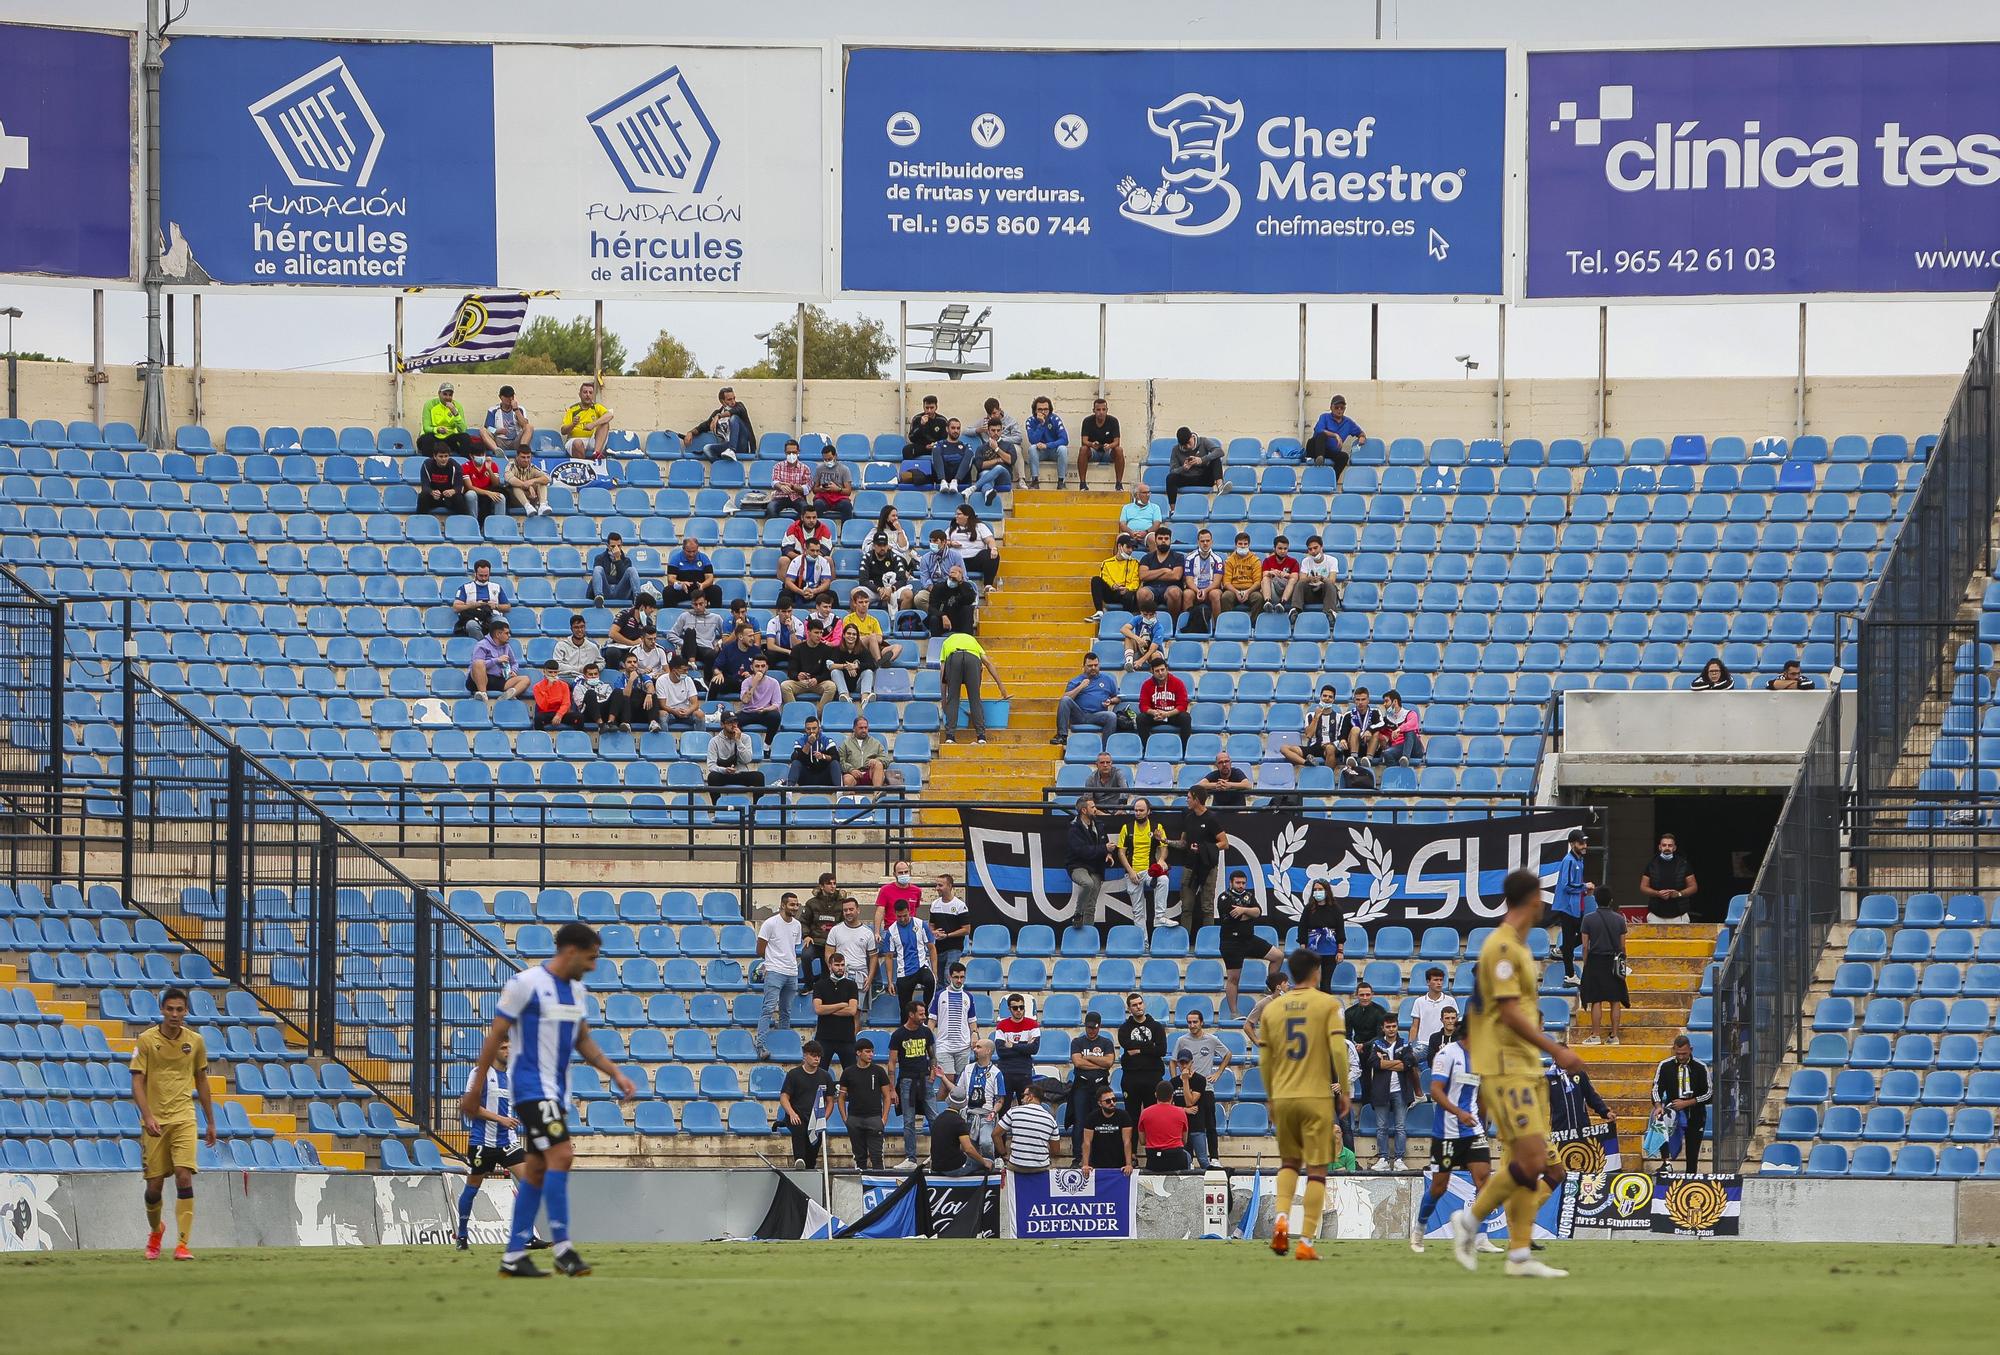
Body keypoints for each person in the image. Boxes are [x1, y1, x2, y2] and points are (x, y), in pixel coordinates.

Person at [459, 921, 638, 1278]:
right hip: (529, 1088)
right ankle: (563, 1248)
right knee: (563, 1154)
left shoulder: (577, 991)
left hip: (556, 1092)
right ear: (571, 951)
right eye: (591, 957)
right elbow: (496, 1035)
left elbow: (582, 1039)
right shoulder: (526, 984)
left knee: (539, 1169)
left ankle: (513, 1256)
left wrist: (615, 1072)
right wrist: (476, 1086)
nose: (593, 965)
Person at [1447, 868, 1586, 1279]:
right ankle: (1471, 1220)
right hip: (1508, 1067)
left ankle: (1519, 1256)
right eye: (1541, 896)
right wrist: (1557, 1049)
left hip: (1526, 1068)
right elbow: (1507, 1013)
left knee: (1534, 1164)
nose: (1545, 903)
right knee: (1528, 1160)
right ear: (1531, 900)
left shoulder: (1521, 948)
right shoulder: (1503, 947)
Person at [1258, 949, 1352, 1262]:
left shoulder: (1273, 1008)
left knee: (1288, 1163)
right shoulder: (1327, 1004)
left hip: (1283, 1096)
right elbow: (1338, 1051)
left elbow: (1264, 1058)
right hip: (1315, 1096)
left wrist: (1271, 1096)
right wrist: (1346, 1090)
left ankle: (1282, 1221)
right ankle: (1306, 1241)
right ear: (1315, 971)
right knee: (1316, 1171)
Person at [131, 986, 218, 1261]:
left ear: (186, 1011)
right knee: (154, 1186)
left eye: (180, 1009)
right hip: (155, 1121)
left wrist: (211, 1121)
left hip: (184, 1117)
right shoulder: (146, 1041)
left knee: (183, 1174)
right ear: (162, 1010)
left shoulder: (195, 1042)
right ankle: (156, 1231)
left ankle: (182, 1244)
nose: (175, 1014)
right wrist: (147, 1116)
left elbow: (202, 1081)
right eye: (170, 1009)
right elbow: (137, 1081)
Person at [1410, 1020, 1505, 1256]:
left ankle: (1481, 1237)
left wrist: (1485, 1121)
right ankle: (1419, 1228)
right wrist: (1459, 1113)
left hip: (1472, 1131)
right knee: (1439, 1187)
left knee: (1485, 1181)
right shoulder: (1447, 1054)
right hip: (1447, 1133)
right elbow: (1436, 1091)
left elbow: (1481, 1094)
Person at [455, 1035, 552, 1253]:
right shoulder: (479, 1074)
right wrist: (500, 1119)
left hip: (508, 1142)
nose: (508, 1051)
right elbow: (470, 1106)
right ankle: (461, 1233)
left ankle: (526, 1235)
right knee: (472, 1188)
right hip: (482, 1143)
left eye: (510, 1047)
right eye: (503, 1048)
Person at [1174, 1009, 1229, 1169]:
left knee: (1210, 1125)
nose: (1192, 1025)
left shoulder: (1211, 1039)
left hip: (1206, 1088)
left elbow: (1227, 1054)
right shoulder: (1182, 1040)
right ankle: (1188, 1159)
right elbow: (1173, 1061)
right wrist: (1176, 1080)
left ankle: (1214, 1157)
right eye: (1189, 1022)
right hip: (1186, 1089)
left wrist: (1218, 1073)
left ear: (1201, 1022)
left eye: (1195, 1022)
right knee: (1189, 1125)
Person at [886, 1002, 937, 1170]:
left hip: (924, 1080)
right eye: (921, 1014)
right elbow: (892, 1063)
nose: (924, 1017)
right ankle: (911, 1158)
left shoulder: (926, 1032)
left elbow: (932, 1055)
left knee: (934, 1119)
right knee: (908, 1121)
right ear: (911, 1014)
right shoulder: (898, 1035)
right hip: (906, 1080)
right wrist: (892, 1089)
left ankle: (936, 1155)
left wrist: (932, 1072)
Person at [754, 892, 804, 1058]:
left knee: (786, 1011)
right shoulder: (770, 923)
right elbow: (760, 948)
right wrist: (771, 962)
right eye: (792, 905)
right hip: (775, 970)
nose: (795, 908)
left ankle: (783, 1044)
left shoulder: (797, 925)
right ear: (783, 905)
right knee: (768, 1008)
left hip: (791, 971)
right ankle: (760, 1045)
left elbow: (792, 947)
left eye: (796, 905)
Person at [1367, 1016, 1420, 1170]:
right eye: (1388, 1026)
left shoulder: (1404, 1044)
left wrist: (1385, 1063)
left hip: (1400, 1091)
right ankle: (1383, 1158)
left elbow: (1409, 1063)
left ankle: (1398, 1159)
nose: (1391, 1029)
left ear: (1397, 1027)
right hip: (1381, 1091)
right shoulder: (1377, 1045)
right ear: (1383, 1028)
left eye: (1394, 1026)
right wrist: (1397, 1062)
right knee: (1381, 1127)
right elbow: (1374, 1063)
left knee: (1400, 1127)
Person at [1170, 787, 1226, 934]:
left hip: (1208, 867)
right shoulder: (1188, 817)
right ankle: (1184, 940)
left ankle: (1208, 940)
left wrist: (1203, 849)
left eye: (1188, 797)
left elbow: (1224, 843)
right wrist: (1165, 840)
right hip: (1189, 866)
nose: (1186, 800)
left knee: (1207, 907)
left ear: (1196, 799)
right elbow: (1183, 843)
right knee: (1186, 907)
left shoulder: (1212, 818)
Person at [1654, 1034, 1713, 1173]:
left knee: (1692, 1150)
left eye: (1684, 1054)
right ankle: (1666, 1164)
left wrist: (1687, 1103)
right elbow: (1656, 1088)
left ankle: (1691, 1175)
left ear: (1691, 1050)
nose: (1681, 1057)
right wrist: (1658, 1106)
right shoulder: (1664, 1066)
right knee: (1661, 1126)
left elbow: (1709, 1093)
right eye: (1678, 1053)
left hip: (1695, 1113)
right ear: (1673, 1049)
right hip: (1672, 1111)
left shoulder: (1700, 1067)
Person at [1579, 888, 1630, 1044]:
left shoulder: (1588, 919)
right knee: (1615, 1000)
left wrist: (1586, 963)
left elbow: (1585, 946)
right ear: (1611, 901)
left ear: (1595, 900)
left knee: (1596, 1000)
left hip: (1595, 961)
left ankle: (1595, 1035)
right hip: (1614, 961)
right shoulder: (1620, 919)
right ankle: (1614, 1036)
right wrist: (1623, 962)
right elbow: (1622, 946)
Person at [1113, 796, 1171, 932]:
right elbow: (1121, 853)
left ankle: (1160, 916)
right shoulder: (1126, 828)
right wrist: (1130, 871)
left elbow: (1164, 847)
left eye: (1141, 810)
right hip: (1133, 872)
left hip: (1149, 871)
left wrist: (1162, 859)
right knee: (1138, 911)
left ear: (1148, 811)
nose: (1138, 813)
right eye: (1135, 810)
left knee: (1163, 879)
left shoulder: (1157, 827)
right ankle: (1143, 944)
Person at [940, 629, 1008, 745]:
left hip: (954, 658)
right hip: (972, 659)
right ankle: (981, 737)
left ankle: (950, 737)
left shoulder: (947, 641)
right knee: (975, 699)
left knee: (953, 699)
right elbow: (988, 663)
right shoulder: (972, 640)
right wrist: (1001, 686)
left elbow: (942, 671)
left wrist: (944, 699)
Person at [1068, 1010, 1118, 1165]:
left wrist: (1088, 1057)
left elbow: (1109, 1063)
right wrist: (1098, 1062)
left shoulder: (1106, 1042)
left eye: (1094, 1028)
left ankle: (1096, 1156)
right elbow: (1077, 1062)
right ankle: (1079, 1157)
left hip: (1100, 1086)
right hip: (1081, 1085)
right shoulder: (1077, 1041)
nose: (1091, 1031)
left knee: (1099, 1121)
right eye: (1089, 1028)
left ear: (1099, 1026)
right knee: (1080, 1121)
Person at [778, 1041, 836, 1168]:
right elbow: (784, 1097)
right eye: (813, 1055)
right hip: (797, 1115)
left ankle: (809, 1166)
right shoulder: (794, 1074)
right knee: (798, 1129)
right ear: (805, 1055)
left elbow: (830, 1101)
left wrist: (823, 1118)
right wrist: (792, 1113)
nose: (817, 1058)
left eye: (819, 1056)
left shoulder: (825, 1076)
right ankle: (799, 1159)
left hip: (816, 1118)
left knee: (813, 1150)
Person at [1215, 868, 1265, 1018]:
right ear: (1231, 883)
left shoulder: (1249, 896)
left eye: (1243, 882)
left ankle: (1271, 987)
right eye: (1238, 882)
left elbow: (1258, 912)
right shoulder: (1224, 897)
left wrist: (1243, 910)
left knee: (1278, 955)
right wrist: (1249, 913)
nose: (1241, 885)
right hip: (1231, 943)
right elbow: (1235, 917)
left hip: (1249, 939)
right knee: (1233, 978)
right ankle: (1234, 1012)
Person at [837, 1038, 891, 1170]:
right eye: (867, 1051)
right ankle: (861, 1188)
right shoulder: (848, 1072)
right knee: (859, 1158)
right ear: (858, 1053)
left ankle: (878, 1188)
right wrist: (845, 1118)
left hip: (874, 1119)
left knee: (877, 1157)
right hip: (855, 1119)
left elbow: (887, 1096)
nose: (871, 1054)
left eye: (872, 1052)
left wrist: (883, 1119)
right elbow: (841, 1097)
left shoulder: (879, 1071)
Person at [1551, 828, 1595, 987]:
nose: (1584, 845)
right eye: (1580, 843)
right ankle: (1569, 975)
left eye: (1585, 842)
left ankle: (1562, 949)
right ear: (1572, 844)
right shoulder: (1569, 860)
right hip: (1567, 907)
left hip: (1576, 905)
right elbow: (1566, 885)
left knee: (1585, 933)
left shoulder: (1578, 860)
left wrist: (1584, 890)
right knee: (1573, 938)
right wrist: (1584, 886)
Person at [950, 1039, 1006, 1160]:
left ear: (988, 1051)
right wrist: (944, 1077)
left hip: (986, 1115)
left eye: (978, 1047)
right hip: (968, 1114)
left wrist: (993, 1112)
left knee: (986, 1143)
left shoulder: (996, 1073)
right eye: (975, 1047)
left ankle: (989, 1167)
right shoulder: (967, 1069)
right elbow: (958, 1091)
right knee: (968, 1148)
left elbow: (1000, 1100)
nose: (974, 1049)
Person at [1066, 796, 1117, 929]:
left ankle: (1087, 933)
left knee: (1091, 905)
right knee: (1088, 883)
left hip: (1096, 868)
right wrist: (1104, 849)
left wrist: (1109, 854)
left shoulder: (1099, 824)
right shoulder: (1074, 829)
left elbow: (1106, 843)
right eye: (1092, 807)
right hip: (1077, 866)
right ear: (1084, 810)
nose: (1096, 809)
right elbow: (1082, 851)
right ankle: (1078, 914)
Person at [995, 1080, 1063, 1177]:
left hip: (1016, 1165)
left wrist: (1004, 1154)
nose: (1022, 1098)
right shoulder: (1050, 1119)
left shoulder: (1014, 1111)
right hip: (1041, 1167)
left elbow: (995, 1135)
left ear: (1030, 1097)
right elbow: (1056, 1151)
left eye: (1023, 1095)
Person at [812, 947, 862, 1075]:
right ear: (830, 966)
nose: (840, 968)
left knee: (852, 1074)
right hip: (824, 1037)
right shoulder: (820, 985)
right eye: (837, 965)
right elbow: (818, 1009)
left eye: (842, 965)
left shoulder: (851, 985)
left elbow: (851, 1010)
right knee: (819, 1074)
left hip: (846, 1038)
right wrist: (840, 1005)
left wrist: (827, 1009)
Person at [931, 962, 980, 1094]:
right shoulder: (939, 995)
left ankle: (956, 1112)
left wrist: (974, 1034)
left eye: (962, 977)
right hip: (944, 1045)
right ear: (950, 977)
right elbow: (932, 1019)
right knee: (948, 1079)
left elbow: (972, 1020)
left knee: (961, 1082)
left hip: (963, 1046)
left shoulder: (968, 996)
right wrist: (928, 1039)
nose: (959, 980)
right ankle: (939, 1111)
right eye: (956, 977)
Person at [882, 902, 939, 1016]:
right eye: (899, 916)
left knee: (930, 981)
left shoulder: (921, 924)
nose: (902, 919)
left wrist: (935, 972)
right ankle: (906, 1028)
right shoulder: (892, 931)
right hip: (904, 972)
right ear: (895, 914)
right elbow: (888, 957)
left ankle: (926, 1013)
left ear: (909, 911)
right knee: (905, 1010)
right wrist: (889, 982)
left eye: (905, 915)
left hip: (921, 966)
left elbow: (932, 949)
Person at [1117, 991, 1168, 1115]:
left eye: (1140, 1003)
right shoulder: (1124, 1029)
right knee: (1132, 1115)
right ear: (1129, 1008)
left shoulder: (1156, 1027)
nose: (1138, 1007)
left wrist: (1139, 1050)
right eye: (1134, 1005)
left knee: (1153, 1115)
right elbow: (1127, 1045)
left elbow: (1161, 1050)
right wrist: (1151, 1046)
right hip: (1131, 1077)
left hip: (1153, 1076)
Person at [1055, 652, 1120, 745]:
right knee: (1065, 700)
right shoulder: (1076, 680)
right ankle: (1062, 736)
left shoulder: (1107, 679)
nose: (1093, 668)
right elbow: (1065, 698)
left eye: (1096, 665)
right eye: (1090, 666)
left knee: (1112, 716)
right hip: (1079, 714)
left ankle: (1106, 748)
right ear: (1084, 666)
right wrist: (1080, 687)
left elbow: (1117, 697)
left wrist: (1110, 701)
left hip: (1097, 715)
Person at [992, 992, 1042, 1112]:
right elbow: (1001, 1051)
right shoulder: (1002, 1025)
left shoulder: (1032, 1025)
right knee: (1003, 1109)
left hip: (1024, 1072)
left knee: (1026, 1109)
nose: (1019, 1010)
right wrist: (1024, 1046)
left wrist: (1012, 1045)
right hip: (1006, 1072)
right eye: (1015, 1008)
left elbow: (1034, 1049)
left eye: (1022, 1007)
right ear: (1009, 1009)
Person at [826, 897, 879, 1003]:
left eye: (851, 909)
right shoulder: (835, 930)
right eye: (845, 910)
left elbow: (873, 957)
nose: (848, 912)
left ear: (858, 910)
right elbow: (828, 953)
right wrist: (833, 970)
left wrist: (870, 978)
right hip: (841, 974)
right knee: (839, 1009)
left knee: (856, 1012)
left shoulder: (867, 932)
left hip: (860, 974)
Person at [1639, 831, 1698, 922]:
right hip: (1656, 916)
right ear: (1660, 847)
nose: (1667, 848)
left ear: (1674, 848)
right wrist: (1657, 893)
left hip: (1679, 916)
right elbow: (1643, 887)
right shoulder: (1651, 865)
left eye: (1670, 845)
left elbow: (1693, 887)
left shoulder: (1683, 864)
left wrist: (1678, 894)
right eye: (1664, 845)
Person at [704, 711, 765, 799]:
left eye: (735, 722)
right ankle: (716, 807)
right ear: (722, 725)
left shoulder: (745, 738)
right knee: (712, 777)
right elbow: (711, 766)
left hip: (741, 773)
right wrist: (724, 770)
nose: (733, 725)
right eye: (730, 722)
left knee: (759, 777)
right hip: (724, 774)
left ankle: (756, 809)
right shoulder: (714, 741)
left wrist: (738, 741)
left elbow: (747, 759)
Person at [1300, 878, 1347, 994]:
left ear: (1326, 891)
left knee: (1326, 984)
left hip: (1330, 949)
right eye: (1315, 889)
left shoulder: (1336, 909)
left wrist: (1340, 951)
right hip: (1312, 949)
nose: (1317, 892)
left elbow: (1340, 930)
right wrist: (1303, 948)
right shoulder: (1308, 908)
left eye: (1320, 889)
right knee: (1310, 983)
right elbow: (1302, 928)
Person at [834, 589, 902, 668]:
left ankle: (883, 661)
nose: (864, 604)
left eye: (866, 602)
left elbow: (880, 639)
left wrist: (870, 639)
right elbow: (850, 637)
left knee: (898, 647)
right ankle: (879, 661)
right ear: (855, 604)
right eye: (861, 602)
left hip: (874, 647)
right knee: (872, 637)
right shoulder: (848, 619)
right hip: (858, 646)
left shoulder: (873, 620)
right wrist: (869, 638)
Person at [1281, 685, 1343, 769]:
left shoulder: (1339, 717)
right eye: (1324, 696)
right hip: (1314, 747)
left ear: (1333, 700)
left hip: (1331, 747)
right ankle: (1307, 763)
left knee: (1330, 748)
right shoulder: (1311, 715)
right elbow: (1309, 735)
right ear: (1320, 697)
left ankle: (1328, 776)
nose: (1327, 698)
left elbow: (1341, 738)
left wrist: (1331, 744)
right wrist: (1316, 718)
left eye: (1330, 697)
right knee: (1284, 748)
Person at [930, 1099, 997, 1178]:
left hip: (936, 1166)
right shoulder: (959, 1121)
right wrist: (984, 1162)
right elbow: (968, 1149)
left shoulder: (937, 1118)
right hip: (953, 1169)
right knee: (989, 1163)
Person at [1163, 425, 1224, 509]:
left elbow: (1219, 451)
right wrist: (1183, 468)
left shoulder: (1203, 441)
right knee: (1170, 478)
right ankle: (1173, 509)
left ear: (1192, 437)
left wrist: (1201, 460)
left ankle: (1220, 487)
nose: (1187, 447)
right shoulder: (1176, 449)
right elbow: (1173, 470)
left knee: (1216, 459)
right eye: (1184, 446)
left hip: (1204, 477)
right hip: (1186, 478)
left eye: (1189, 443)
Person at [683, 384, 750, 461]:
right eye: (729, 400)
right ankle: (721, 468)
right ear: (722, 401)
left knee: (734, 418)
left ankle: (732, 450)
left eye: (734, 398)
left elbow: (735, 411)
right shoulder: (716, 414)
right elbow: (703, 426)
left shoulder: (739, 406)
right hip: (727, 446)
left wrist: (719, 416)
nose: (733, 402)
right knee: (707, 449)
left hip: (741, 444)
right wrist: (690, 433)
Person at [667, 594, 726, 680]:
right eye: (695, 604)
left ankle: (707, 681)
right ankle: (691, 661)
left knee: (712, 654)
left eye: (701, 604)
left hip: (705, 649)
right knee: (690, 631)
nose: (698, 607)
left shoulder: (716, 618)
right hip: (688, 649)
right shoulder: (684, 616)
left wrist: (719, 643)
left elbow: (725, 636)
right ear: (692, 604)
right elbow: (671, 634)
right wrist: (685, 643)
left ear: (706, 603)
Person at [1304, 395, 1365, 477]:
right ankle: (1319, 458)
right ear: (1331, 407)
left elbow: (1360, 433)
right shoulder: (1324, 417)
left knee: (1344, 456)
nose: (1339, 410)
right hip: (1315, 448)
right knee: (1322, 434)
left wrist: (1362, 437)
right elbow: (1318, 430)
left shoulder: (1348, 422)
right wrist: (1335, 435)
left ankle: (1332, 479)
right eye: (1336, 407)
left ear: (1344, 409)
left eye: (1342, 408)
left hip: (1330, 452)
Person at [1137, 1083, 1193, 1172]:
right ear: (1172, 1095)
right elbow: (1184, 1140)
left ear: (1156, 1095)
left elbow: (1142, 1141)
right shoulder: (1181, 1112)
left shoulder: (1145, 1112)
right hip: (1176, 1156)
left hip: (1154, 1158)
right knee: (1188, 1156)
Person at [452, 558, 513, 640]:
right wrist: (471, 605)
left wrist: (495, 606)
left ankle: (497, 648)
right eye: (481, 575)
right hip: (472, 616)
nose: (484, 578)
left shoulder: (496, 587)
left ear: (489, 573)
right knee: (471, 626)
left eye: (486, 575)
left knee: (503, 623)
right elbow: (456, 607)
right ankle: (484, 647)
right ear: (475, 573)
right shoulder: (465, 588)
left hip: (492, 615)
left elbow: (508, 607)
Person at [468, 621, 530, 699]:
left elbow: (514, 663)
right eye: (506, 633)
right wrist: (496, 660)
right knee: (478, 663)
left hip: (499, 679)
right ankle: (482, 694)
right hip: (482, 678)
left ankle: (507, 696)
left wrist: (513, 671)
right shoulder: (482, 645)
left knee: (526, 679)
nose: (509, 636)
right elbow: (476, 666)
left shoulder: (507, 646)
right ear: (498, 634)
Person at [419, 381, 482, 459]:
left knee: (465, 437)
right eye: (445, 394)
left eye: (450, 395)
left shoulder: (457, 406)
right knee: (427, 438)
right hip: (433, 436)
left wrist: (455, 412)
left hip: (449, 438)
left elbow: (463, 429)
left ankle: (465, 463)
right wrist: (437, 430)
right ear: (439, 393)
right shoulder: (430, 404)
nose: (448, 397)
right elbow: (426, 427)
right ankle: (428, 464)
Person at [1082, 1082, 1134, 1174]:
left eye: (1114, 1099)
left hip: (1119, 1165)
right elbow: (1087, 1142)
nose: (1112, 1103)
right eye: (1108, 1101)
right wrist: (1085, 1164)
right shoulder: (1092, 1117)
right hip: (1097, 1164)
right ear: (1100, 1103)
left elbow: (1127, 1141)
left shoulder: (1124, 1116)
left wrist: (1128, 1164)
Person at [947, 503, 1002, 590]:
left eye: (959, 514)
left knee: (991, 555)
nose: (956, 516)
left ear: (967, 515)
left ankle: (988, 585)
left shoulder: (980, 526)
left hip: (975, 560)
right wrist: (951, 543)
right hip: (957, 561)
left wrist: (994, 549)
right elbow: (943, 541)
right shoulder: (952, 528)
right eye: (956, 514)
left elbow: (990, 540)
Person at [783, 620, 837, 705]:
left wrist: (817, 679)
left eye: (821, 633)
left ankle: (818, 713)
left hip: (818, 683)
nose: (819, 636)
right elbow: (791, 671)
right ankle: (794, 712)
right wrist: (798, 676)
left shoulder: (827, 650)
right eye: (816, 633)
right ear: (808, 632)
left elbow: (827, 672)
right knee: (785, 686)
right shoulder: (797, 649)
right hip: (801, 683)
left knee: (831, 686)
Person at [1077, 396, 1125, 491]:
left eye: (1103, 409)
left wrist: (1109, 446)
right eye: (1098, 409)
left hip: (1108, 452)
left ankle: (1119, 484)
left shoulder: (1113, 421)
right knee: (1083, 449)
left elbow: (1117, 441)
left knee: (1119, 450)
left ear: (1107, 410)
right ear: (1093, 410)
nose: (1101, 412)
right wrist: (1092, 444)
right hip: (1093, 451)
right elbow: (1084, 440)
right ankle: (1082, 484)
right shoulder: (1087, 421)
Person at [1137, 525, 1186, 616]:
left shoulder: (1178, 557)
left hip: (1171, 588)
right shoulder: (1147, 558)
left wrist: (1152, 575)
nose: (1163, 541)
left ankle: (1173, 623)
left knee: (1174, 592)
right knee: (1142, 593)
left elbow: (1176, 576)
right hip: (1151, 589)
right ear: (1155, 540)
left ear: (1170, 541)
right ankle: (1147, 622)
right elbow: (1143, 576)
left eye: (1166, 538)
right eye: (1160, 538)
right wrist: (1164, 570)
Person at [663, 536, 722, 611]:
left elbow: (710, 578)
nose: (691, 554)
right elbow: (670, 579)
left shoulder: (704, 558)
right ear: (683, 549)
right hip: (683, 590)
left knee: (716, 590)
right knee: (668, 591)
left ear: (697, 549)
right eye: (688, 552)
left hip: (700, 590)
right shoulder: (675, 559)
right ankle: (670, 616)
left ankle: (714, 618)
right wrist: (681, 583)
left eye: (694, 551)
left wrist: (703, 585)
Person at [1137, 657, 1190, 740]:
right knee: (1141, 718)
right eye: (1157, 671)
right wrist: (1153, 712)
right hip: (1155, 715)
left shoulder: (1177, 683)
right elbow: (1143, 705)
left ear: (1167, 669)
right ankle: (1146, 747)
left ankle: (1184, 749)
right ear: (1152, 671)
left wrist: (1167, 714)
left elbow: (1183, 705)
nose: (1160, 673)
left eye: (1162, 670)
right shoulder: (1147, 685)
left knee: (1185, 717)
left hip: (1172, 715)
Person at [559, 380, 614, 461]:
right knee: (578, 443)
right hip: (575, 440)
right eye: (585, 392)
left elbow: (610, 415)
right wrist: (572, 424)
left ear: (593, 395)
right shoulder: (572, 409)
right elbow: (563, 431)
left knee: (605, 424)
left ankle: (596, 454)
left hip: (593, 440)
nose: (588, 395)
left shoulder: (596, 407)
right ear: (580, 394)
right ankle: (584, 465)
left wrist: (593, 424)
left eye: (590, 393)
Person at [859, 534, 913, 615]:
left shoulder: (895, 557)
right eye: (879, 545)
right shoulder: (867, 557)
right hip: (874, 589)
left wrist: (891, 589)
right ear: (873, 546)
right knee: (855, 593)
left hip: (891, 589)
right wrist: (878, 589)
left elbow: (902, 579)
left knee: (908, 594)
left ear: (888, 546)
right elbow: (863, 580)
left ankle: (899, 624)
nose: (882, 548)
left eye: (884, 545)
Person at [650, 652, 705, 731]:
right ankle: (665, 741)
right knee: (662, 714)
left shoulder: (688, 680)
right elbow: (662, 704)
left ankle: (701, 741)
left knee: (700, 714)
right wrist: (674, 711)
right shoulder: (661, 680)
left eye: (687, 670)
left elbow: (695, 703)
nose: (686, 673)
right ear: (674, 670)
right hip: (670, 712)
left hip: (686, 712)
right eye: (684, 670)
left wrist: (688, 711)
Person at [1024, 394, 1070, 488]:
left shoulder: (1055, 419)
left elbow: (1064, 439)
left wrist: (1047, 445)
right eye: (1040, 409)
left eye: (1046, 409)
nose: (1043, 412)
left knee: (1063, 449)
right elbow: (1033, 440)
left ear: (1050, 410)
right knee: (1032, 448)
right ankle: (1035, 481)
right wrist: (1041, 424)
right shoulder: (1030, 421)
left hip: (1053, 450)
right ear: (1035, 410)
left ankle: (1061, 482)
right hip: (1040, 452)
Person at [416, 439, 469, 519]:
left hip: (449, 497)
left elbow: (459, 486)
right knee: (423, 496)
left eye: (446, 456)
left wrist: (453, 491)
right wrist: (431, 492)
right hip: (433, 497)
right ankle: (420, 522)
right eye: (441, 456)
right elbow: (425, 486)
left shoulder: (455, 466)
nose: (444, 459)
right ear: (434, 456)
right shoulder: (427, 465)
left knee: (459, 498)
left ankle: (463, 523)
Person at [1408, 966, 1455, 1055]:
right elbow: (1415, 1026)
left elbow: (1454, 1023)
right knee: (1409, 1059)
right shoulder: (1419, 1001)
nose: (1439, 983)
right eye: (1436, 980)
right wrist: (1410, 1044)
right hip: (1423, 1044)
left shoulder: (1450, 1001)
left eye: (1441, 980)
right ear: (1428, 982)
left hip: (1444, 1044)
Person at [734, 656, 784, 737]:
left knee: (776, 716)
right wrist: (754, 682)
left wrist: (765, 709)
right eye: (757, 666)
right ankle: (741, 743)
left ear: (767, 667)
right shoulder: (746, 682)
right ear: (751, 667)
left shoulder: (774, 682)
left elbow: (776, 704)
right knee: (732, 721)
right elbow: (745, 700)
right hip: (748, 712)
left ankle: (767, 745)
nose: (760, 669)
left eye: (763, 666)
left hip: (765, 712)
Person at [971, 418, 1016, 509]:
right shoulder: (981, 448)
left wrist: (997, 449)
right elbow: (980, 466)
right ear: (988, 431)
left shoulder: (1009, 445)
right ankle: (988, 492)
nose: (996, 433)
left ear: (1002, 430)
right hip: (986, 476)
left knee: (999, 468)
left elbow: (1011, 460)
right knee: (985, 474)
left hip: (1004, 477)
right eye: (993, 430)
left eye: (998, 430)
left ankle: (972, 488)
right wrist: (998, 460)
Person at [837, 714, 891, 790]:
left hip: (870, 774)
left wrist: (877, 760)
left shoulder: (875, 743)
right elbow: (840, 761)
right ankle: (851, 800)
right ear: (854, 728)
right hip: (853, 774)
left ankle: (877, 794)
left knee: (878, 765)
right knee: (847, 779)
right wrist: (851, 770)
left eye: (866, 728)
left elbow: (886, 759)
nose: (864, 730)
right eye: (861, 728)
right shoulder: (846, 743)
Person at [1370, 688, 1423, 765]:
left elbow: (1413, 724)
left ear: (1395, 701)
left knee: (1410, 731)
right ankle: (1395, 774)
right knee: (1387, 753)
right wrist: (1381, 737)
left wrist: (1399, 729)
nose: (1384, 704)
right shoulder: (1386, 720)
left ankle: (1405, 757)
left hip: (1414, 748)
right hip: (1398, 748)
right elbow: (1378, 730)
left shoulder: (1410, 713)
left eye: (1386, 701)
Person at [785, 713, 840, 788]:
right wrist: (809, 743)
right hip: (806, 777)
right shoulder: (799, 742)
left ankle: (839, 791)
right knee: (795, 763)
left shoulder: (827, 740)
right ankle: (789, 791)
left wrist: (823, 756)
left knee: (835, 763)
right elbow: (795, 759)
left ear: (819, 729)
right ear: (805, 729)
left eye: (814, 728)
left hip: (824, 777)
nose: (811, 731)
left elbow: (836, 757)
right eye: (808, 729)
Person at [602, 596, 657, 669]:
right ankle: (613, 676)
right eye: (650, 607)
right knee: (612, 652)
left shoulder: (648, 621)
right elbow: (612, 633)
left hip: (636, 649)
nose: (653, 610)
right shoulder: (625, 614)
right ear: (642, 607)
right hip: (619, 647)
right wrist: (631, 643)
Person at [931, 876, 971, 975]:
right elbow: (931, 925)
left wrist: (947, 935)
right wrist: (933, 932)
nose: (937, 888)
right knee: (938, 979)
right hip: (938, 948)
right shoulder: (934, 904)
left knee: (948, 976)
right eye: (937, 885)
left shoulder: (960, 906)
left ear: (949, 886)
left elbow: (966, 930)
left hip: (954, 947)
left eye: (940, 885)